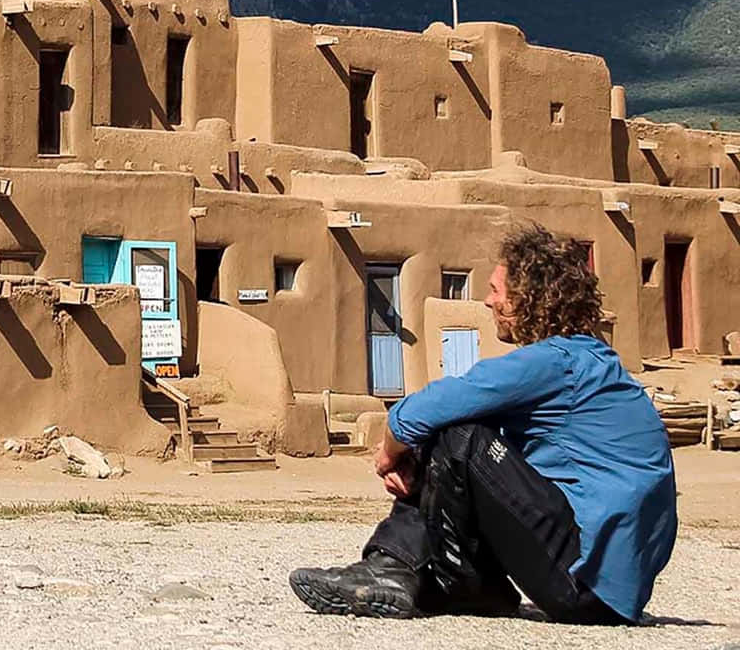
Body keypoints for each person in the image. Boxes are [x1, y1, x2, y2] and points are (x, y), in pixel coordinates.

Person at [290, 225, 677, 623]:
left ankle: (395, 567)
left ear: (527, 298)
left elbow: (424, 410)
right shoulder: (590, 362)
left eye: (496, 289)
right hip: (608, 586)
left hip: (584, 582)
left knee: (460, 434)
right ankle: (461, 584)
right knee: (460, 435)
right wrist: (421, 470)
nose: (488, 301)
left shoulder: (555, 363)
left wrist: (391, 456)